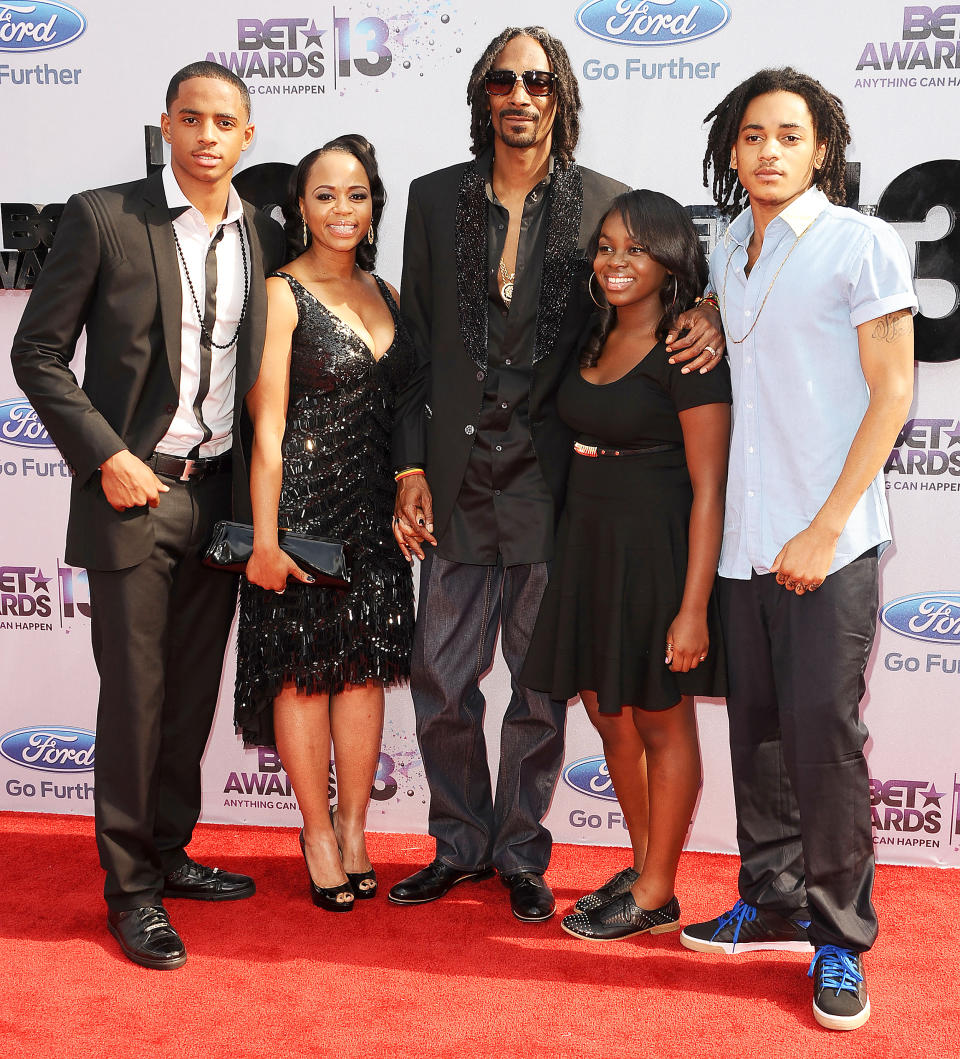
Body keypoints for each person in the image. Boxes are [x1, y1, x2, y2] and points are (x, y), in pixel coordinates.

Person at [389, 25, 723, 922]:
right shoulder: (430, 200)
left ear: (560, 94)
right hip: (456, 479)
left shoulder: (603, 205)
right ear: (483, 96)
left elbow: (672, 277)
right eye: (504, 80)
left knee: (538, 690)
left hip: (550, 483)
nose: (520, 94)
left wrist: (719, 310)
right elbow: (412, 349)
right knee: (442, 679)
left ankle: (522, 854)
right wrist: (409, 464)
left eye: (537, 79)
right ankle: (458, 844)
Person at [10, 62, 286, 969]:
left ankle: (169, 853)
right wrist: (109, 455)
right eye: (193, 119)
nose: (209, 136)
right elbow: (38, 353)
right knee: (134, 701)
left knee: (190, 693)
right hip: (132, 495)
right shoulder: (104, 217)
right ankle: (130, 892)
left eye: (227, 123)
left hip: (215, 499)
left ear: (249, 136)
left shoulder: (259, 230)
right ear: (165, 126)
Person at [678, 69, 916, 1031]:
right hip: (745, 539)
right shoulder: (730, 243)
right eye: (750, 136)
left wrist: (824, 527)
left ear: (822, 148)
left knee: (824, 739)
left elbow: (893, 393)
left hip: (832, 537)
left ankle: (840, 940)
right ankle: (772, 896)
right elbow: (732, 326)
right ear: (731, 152)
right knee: (761, 732)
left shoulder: (861, 243)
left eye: (788, 135)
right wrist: (701, 313)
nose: (767, 151)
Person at [521, 189, 731, 941]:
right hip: (588, 544)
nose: (616, 261)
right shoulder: (590, 331)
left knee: (662, 721)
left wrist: (694, 606)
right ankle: (647, 871)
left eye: (636, 249)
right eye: (606, 246)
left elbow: (711, 490)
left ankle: (655, 887)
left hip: (659, 551)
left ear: (670, 259)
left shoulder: (688, 347)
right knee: (611, 718)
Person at [234, 135, 415, 912]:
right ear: (299, 207)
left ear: (374, 206)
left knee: (364, 671)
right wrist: (266, 539)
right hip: (302, 511)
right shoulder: (280, 292)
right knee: (305, 678)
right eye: (325, 195)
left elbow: (409, 412)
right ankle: (313, 832)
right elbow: (266, 426)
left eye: (357, 195)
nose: (343, 210)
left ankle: (354, 826)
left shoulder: (390, 291)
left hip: (373, 513)